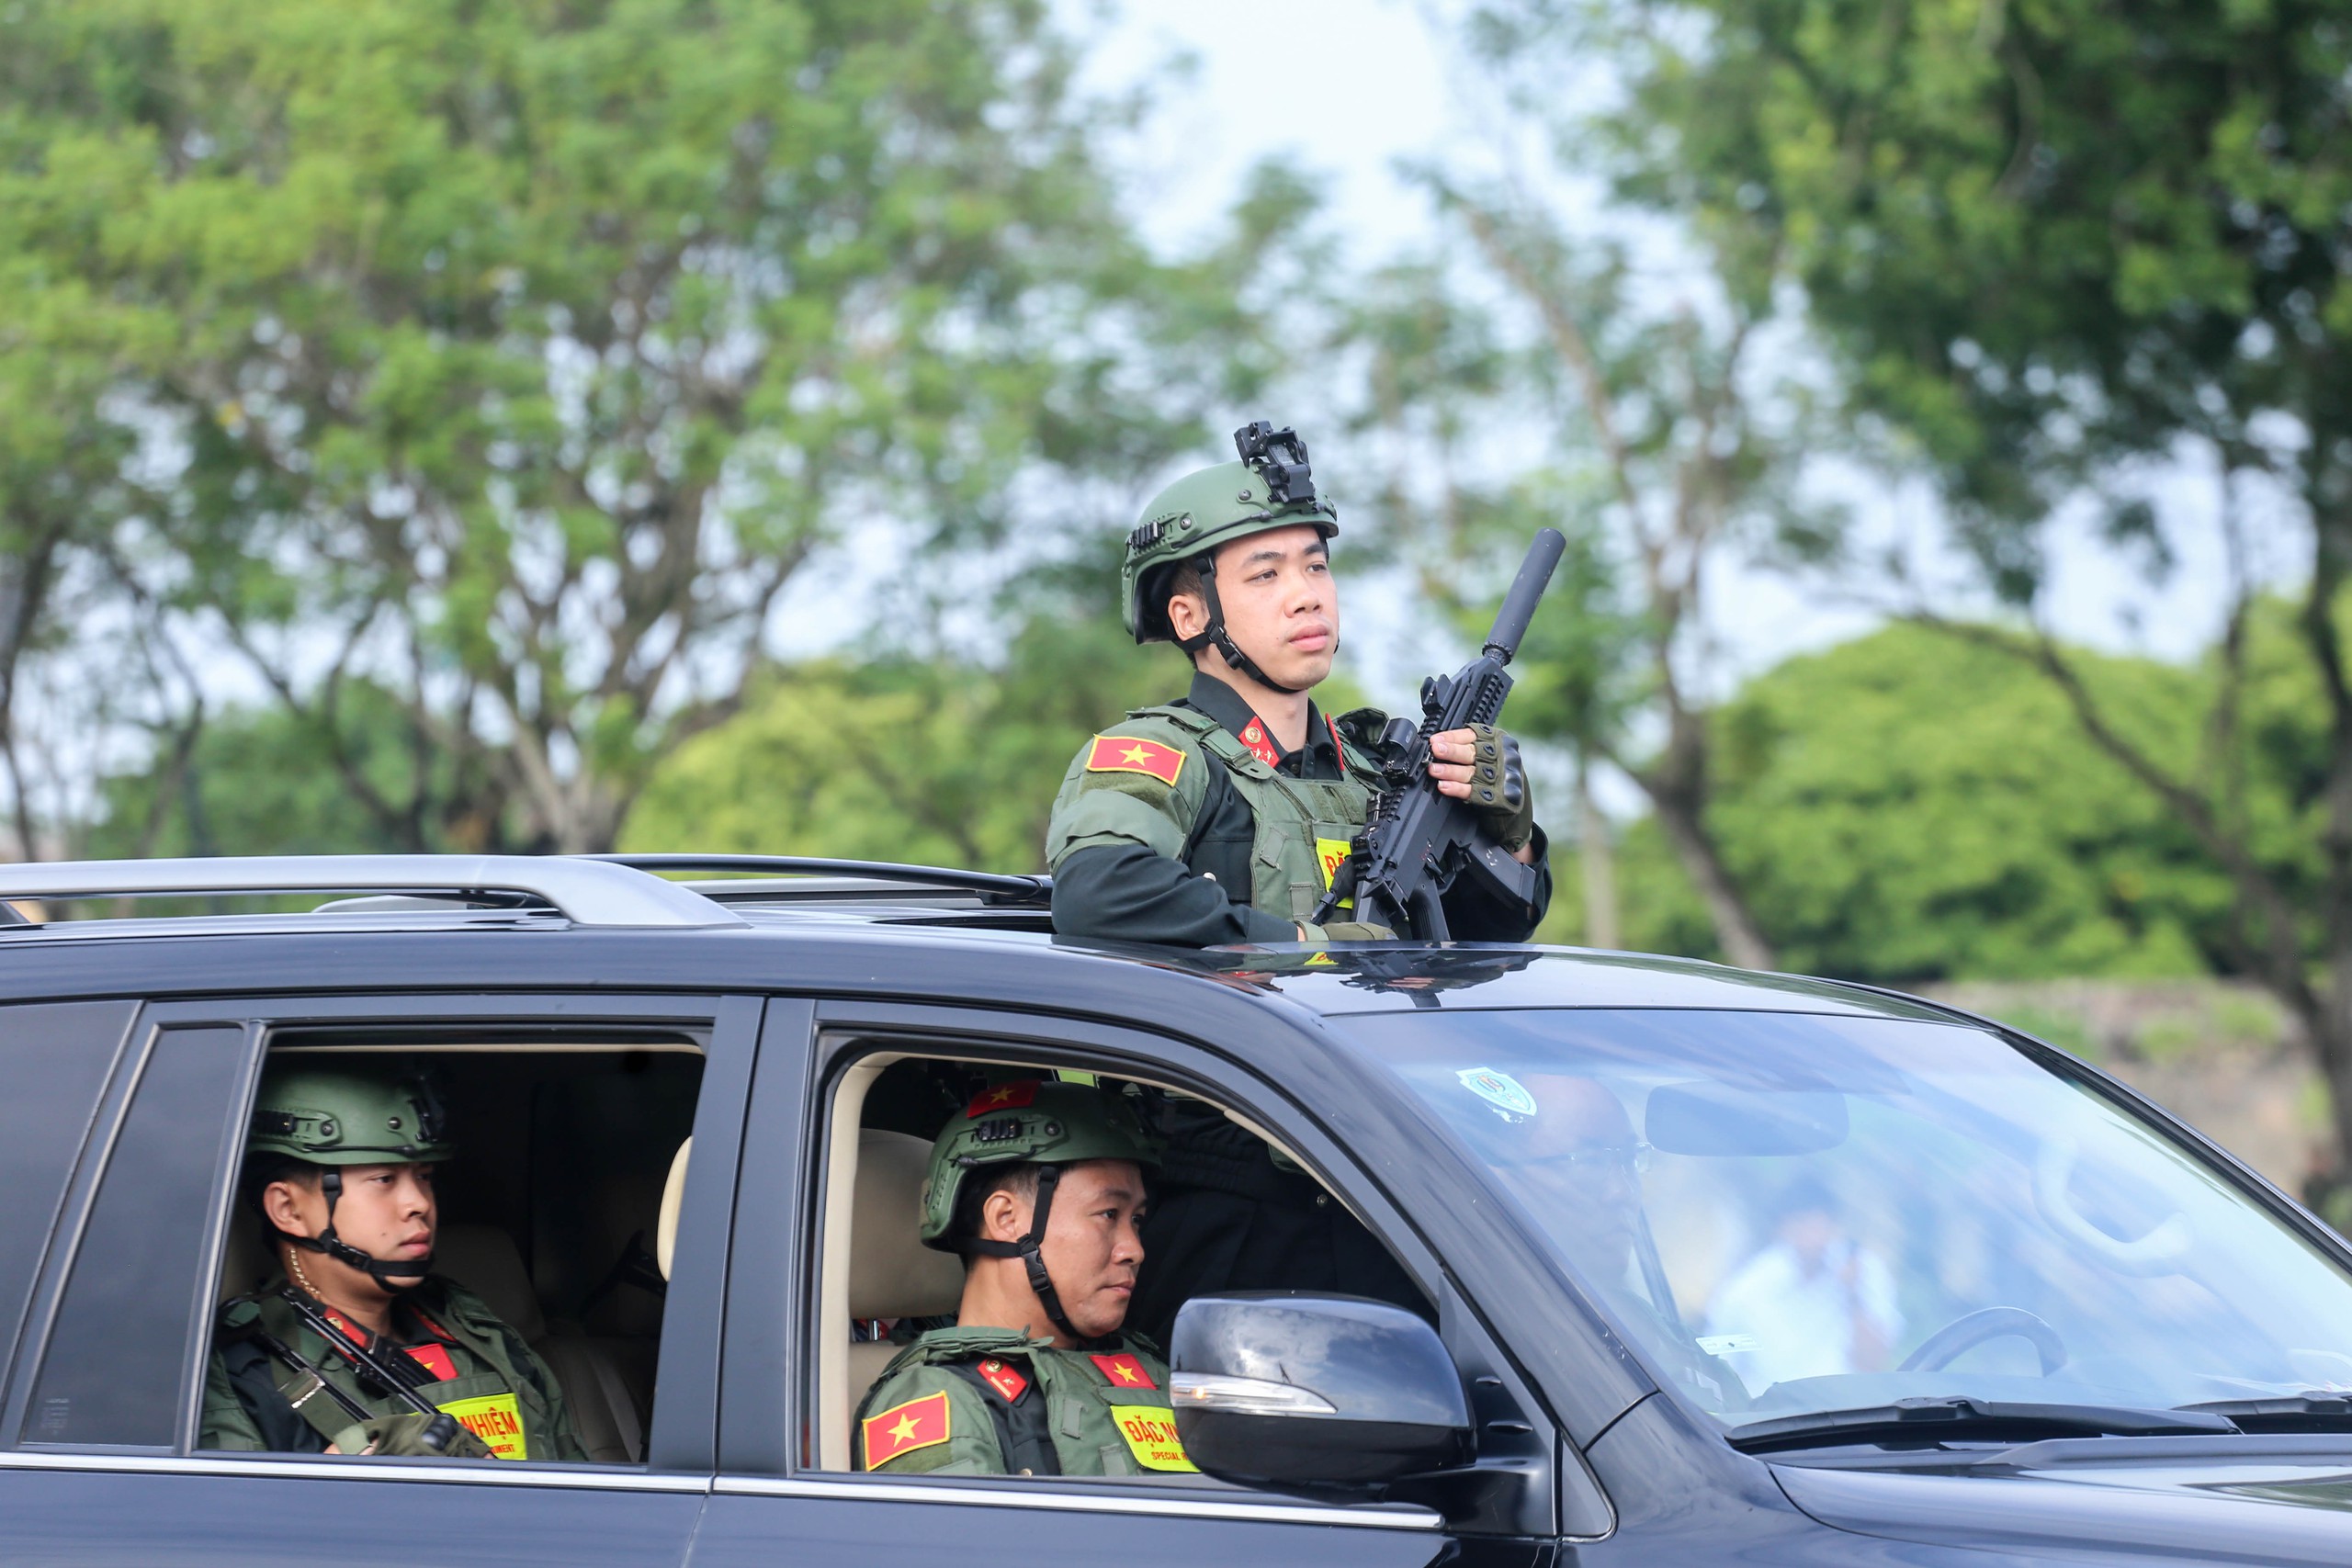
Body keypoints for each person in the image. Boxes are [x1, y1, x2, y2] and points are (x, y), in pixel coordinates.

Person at [1045, 419, 1553, 948]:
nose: (1307, 596)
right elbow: (1099, 894)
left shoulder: (1378, 773)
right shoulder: (1158, 754)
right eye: (1266, 575)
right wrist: (1317, 947)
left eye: (1315, 568)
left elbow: (1487, 942)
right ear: (1190, 616)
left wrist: (1509, 839)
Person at [200, 1064, 589, 1461]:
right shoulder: (243, 1369)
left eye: (423, 1176)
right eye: (384, 1179)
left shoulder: (474, 1328)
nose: (419, 1203)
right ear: (289, 1210)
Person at [854, 1080, 1195, 1479]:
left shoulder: (1144, 1368)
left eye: (1135, 1219)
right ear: (1007, 1220)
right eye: (1108, 1214)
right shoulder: (942, 1403)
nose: (1134, 1249)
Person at [1702, 1177, 1902, 1396]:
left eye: (1818, 1226)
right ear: (1783, 1228)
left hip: (1848, 1412)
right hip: (1768, 1419)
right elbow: (1718, 1374)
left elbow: (1873, 1363)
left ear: (1834, 1227)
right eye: (1802, 1225)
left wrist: (1853, 1294)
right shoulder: (1748, 1289)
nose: (1812, 1237)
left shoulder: (1863, 1269)